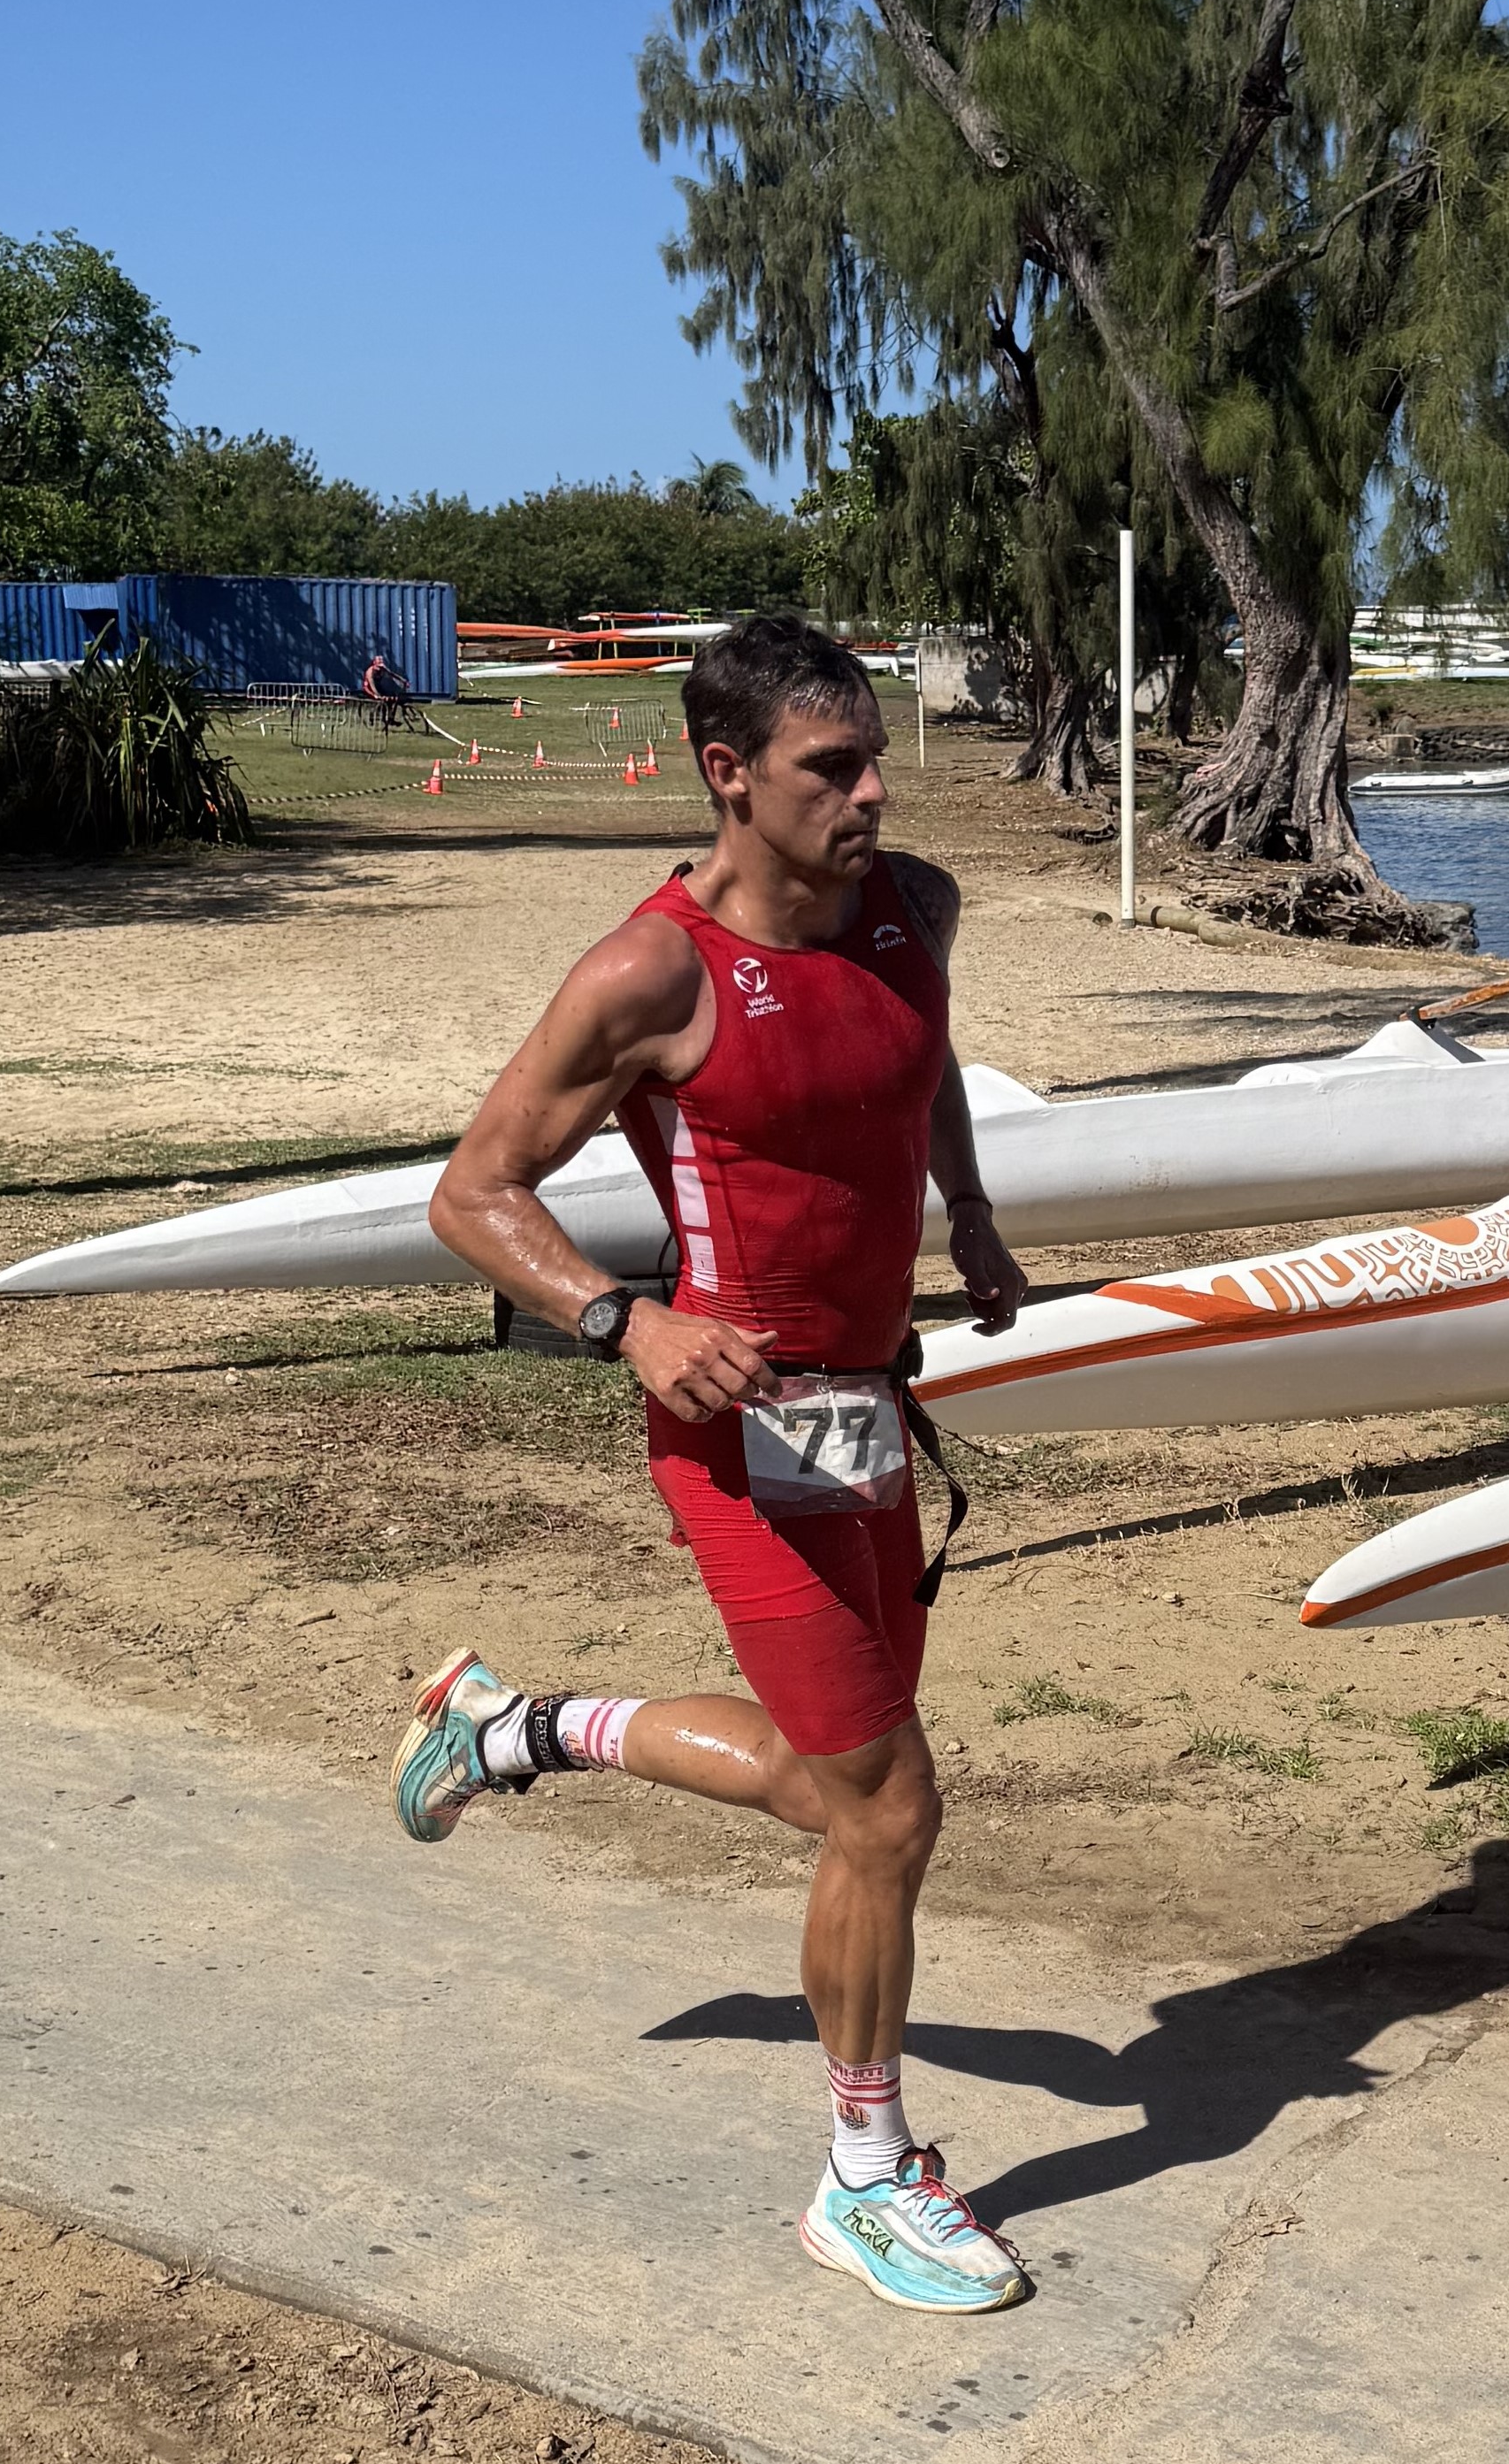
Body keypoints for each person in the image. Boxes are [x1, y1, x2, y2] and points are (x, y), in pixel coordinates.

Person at [391, 615, 1034, 2315]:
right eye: (834, 769)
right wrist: (627, 1323)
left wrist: (966, 1211)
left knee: (837, 1794)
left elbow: (926, 1061)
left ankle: (514, 1729)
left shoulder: (915, 912)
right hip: (737, 1441)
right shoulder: (649, 976)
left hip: (870, 1417)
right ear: (728, 774)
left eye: (878, 755)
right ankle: (865, 2174)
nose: (875, 792)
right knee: (892, 1811)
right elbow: (472, 1194)